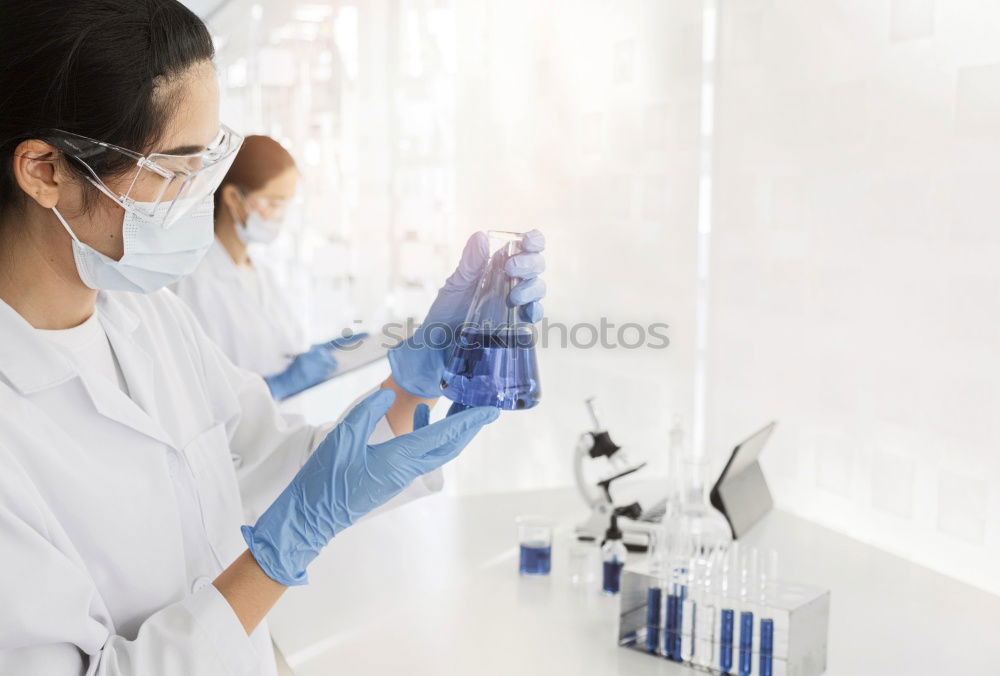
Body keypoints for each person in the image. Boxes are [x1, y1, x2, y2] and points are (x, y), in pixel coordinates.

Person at [0, 2, 546, 675]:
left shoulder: (150, 321)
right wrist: (278, 555)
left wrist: (409, 385)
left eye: (210, 162)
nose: (201, 199)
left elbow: (267, 464)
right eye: (177, 170)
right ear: (44, 170)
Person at [173, 136, 346, 400]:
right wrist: (277, 386)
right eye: (273, 203)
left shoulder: (261, 271)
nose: (280, 215)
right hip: (237, 437)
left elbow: (281, 351)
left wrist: (323, 356)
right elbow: (202, 392)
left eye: (286, 204)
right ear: (233, 197)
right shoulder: (193, 280)